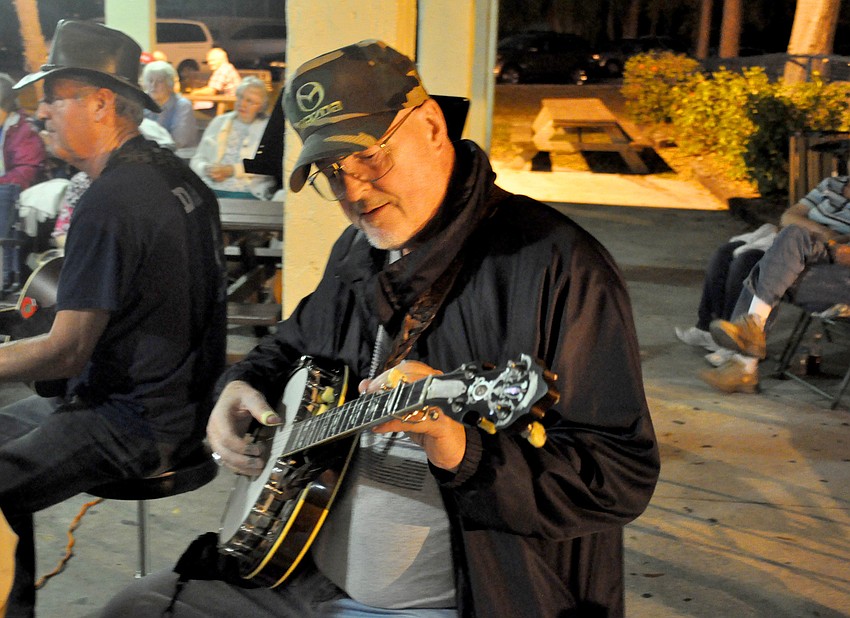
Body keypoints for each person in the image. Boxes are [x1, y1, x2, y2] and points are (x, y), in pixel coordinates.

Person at [103, 39, 659, 617]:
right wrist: (239, 386)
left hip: (476, 600)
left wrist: (463, 451)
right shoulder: (360, 250)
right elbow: (292, 343)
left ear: (432, 127)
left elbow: (617, 477)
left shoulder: (555, 266)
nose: (352, 191)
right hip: (301, 572)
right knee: (134, 607)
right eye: (331, 171)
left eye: (369, 156)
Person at [1, 19, 227, 617]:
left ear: (102, 103)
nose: (40, 113)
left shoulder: (111, 199)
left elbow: (65, 351)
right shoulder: (176, 176)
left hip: (134, 425)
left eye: (53, 98)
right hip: (181, 408)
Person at [701, 175, 850, 393]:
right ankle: (750, 337)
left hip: (842, 278)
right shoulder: (834, 185)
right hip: (820, 254)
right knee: (791, 236)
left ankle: (745, 361)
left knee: (770, 269)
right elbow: (790, 217)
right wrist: (827, 236)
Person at [675, 223, 776, 364]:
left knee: (743, 263)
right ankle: (707, 328)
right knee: (723, 253)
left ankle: (734, 340)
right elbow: (789, 216)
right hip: (781, 238)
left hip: (797, 255)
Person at [190, 76, 277, 199]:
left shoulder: (268, 128)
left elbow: (267, 165)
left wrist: (232, 170)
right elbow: (197, 159)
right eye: (240, 97)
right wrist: (206, 169)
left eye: (250, 101)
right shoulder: (219, 122)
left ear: (261, 106)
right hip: (210, 188)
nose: (242, 104)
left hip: (248, 192)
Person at [0, 73, 46, 293]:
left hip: (9, 192)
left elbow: (25, 172)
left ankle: (5, 273)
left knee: (5, 192)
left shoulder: (23, 131)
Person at [141, 61, 198, 150]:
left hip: (178, 154)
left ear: (170, 84)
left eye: (159, 81)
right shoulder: (141, 103)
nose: (153, 85)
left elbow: (179, 141)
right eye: (150, 80)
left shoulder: (182, 105)